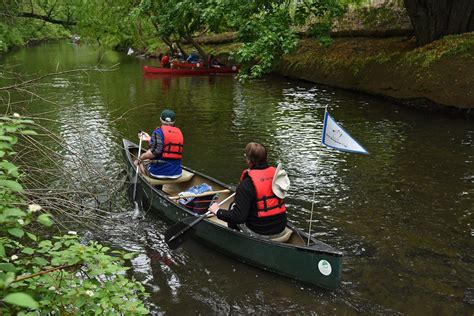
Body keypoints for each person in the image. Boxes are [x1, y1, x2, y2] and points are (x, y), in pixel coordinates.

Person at [208, 142, 288, 236]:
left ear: (248, 160)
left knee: (233, 206)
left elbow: (238, 218)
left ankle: (234, 238)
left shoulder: (246, 185)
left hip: (260, 232)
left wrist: (217, 211)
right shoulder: (277, 176)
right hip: (282, 228)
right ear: (265, 158)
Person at [134, 109, 183, 179]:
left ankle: (144, 180)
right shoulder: (179, 133)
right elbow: (167, 144)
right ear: (174, 121)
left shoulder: (158, 132)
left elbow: (154, 152)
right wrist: (149, 138)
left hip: (158, 173)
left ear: (160, 119)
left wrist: (140, 158)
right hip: (177, 173)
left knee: (139, 162)